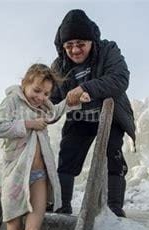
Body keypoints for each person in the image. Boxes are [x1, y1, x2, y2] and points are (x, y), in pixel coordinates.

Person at [0, 63, 90, 230]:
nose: (40, 97)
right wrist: (28, 124)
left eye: (46, 94)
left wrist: (74, 100)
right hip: (16, 175)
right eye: (36, 90)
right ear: (24, 83)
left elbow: (55, 112)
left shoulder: (44, 106)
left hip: (39, 176)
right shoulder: (12, 101)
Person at [50, 9, 136, 217]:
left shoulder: (108, 50)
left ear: (91, 41)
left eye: (81, 44)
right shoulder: (59, 65)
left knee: (112, 157)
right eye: (69, 45)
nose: (75, 50)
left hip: (110, 114)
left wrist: (85, 88)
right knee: (67, 157)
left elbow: (120, 78)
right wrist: (42, 111)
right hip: (79, 117)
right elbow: (52, 98)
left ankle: (113, 210)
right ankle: (62, 207)